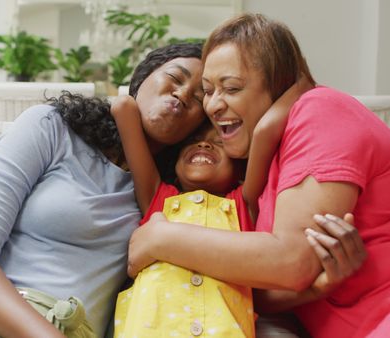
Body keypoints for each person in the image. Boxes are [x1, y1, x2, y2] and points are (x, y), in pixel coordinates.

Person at [0, 42, 362, 338]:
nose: (184, 95)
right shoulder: (52, 129)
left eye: (200, 96)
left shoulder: (169, 198)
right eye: (175, 77)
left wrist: (321, 283)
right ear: (141, 79)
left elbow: (237, 288)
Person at [126, 13, 390, 338]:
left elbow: (291, 262)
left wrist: (159, 237)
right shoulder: (255, 180)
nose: (214, 104)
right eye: (209, 91)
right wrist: (319, 286)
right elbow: (263, 288)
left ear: (278, 82)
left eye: (232, 88)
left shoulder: (320, 111)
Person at [109, 74, 298, 336]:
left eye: (219, 142)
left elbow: (266, 130)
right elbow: (123, 109)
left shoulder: (243, 203)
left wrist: (298, 82)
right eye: (192, 142)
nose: (204, 143)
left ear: (240, 172)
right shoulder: (159, 199)